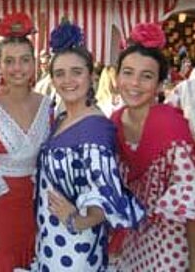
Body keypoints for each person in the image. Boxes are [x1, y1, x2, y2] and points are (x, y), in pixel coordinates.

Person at [30, 19, 144, 272]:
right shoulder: (60, 118)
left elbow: (109, 193)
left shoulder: (96, 128)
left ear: (91, 76)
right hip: (50, 238)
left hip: (75, 247)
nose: (67, 80)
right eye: (59, 73)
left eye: (76, 72)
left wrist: (81, 220)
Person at [110, 23, 195, 271]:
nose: (134, 83)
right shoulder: (114, 122)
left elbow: (193, 204)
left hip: (169, 243)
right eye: (127, 72)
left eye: (146, 76)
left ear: (161, 84)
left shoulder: (172, 126)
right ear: (116, 77)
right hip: (131, 238)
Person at [0, 12, 50, 272]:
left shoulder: (47, 105)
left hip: (38, 206)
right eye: (10, 61)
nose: (18, 68)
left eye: (25, 60)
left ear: (34, 63)